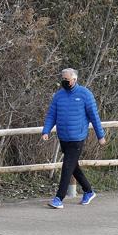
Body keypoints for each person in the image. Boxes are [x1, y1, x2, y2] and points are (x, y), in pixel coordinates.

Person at [41, 68, 106, 208]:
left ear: (74, 79)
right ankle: (88, 191)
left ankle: (59, 198)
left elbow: (94, 117)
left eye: (67, 80)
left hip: (77, 136)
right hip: (63, 136)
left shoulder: (85, 94)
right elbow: (51, 114)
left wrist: (101, 136)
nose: (64, 82)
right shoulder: (58, 96)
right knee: (73, 166)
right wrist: (46, 131)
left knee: (67, 166)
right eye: (63, 79)